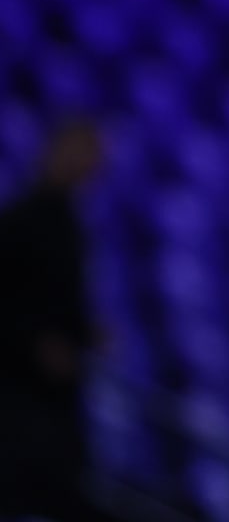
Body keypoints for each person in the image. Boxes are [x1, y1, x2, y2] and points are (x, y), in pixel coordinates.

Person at [0, 117, 108, 522]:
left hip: (59, 402)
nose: (91, 163)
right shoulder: (20, 220)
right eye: (82, 150)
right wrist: (36, 343)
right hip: (16, 396)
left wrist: (86, 333)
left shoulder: (72, 224)